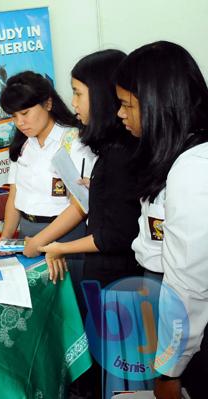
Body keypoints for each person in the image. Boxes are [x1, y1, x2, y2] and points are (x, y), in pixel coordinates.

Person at [114, 41, 208, 399]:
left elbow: (189, 288)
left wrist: (169, 369)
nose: (121, 114)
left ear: (158, 104)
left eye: (127, 104)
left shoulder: (192, 167)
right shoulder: (185, 154)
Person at [34, 50, 143, 287]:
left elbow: (116, 235)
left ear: (101, 96)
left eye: (77, 93)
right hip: (111, 274)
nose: (73, 102)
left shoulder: (119, 154)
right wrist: (100, 187)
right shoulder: (113, 148)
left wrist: (61, 248)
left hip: (118, 281)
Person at [0, 71, 96, 288]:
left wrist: (41, 242)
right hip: (26, 235)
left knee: (70, 307)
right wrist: (5, 239)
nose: (20, 123)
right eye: (13, 116)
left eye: (25, 112)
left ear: (48, 104)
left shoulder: (73, 141)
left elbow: (80, 204)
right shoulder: (22, 146)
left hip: (65, 237)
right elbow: (15, 195)